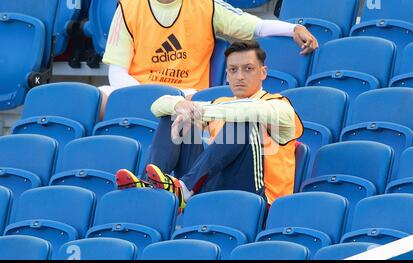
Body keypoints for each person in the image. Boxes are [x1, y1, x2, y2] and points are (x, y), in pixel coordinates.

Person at [115, 40, 303, 209]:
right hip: (213, 187)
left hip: (259, 199)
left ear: (263, 73)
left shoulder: (280, 105)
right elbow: (158, 105)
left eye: (248, 69)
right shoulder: (220, 105)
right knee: (174, 116)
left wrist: (199, 111)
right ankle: (150, 187)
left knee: (242, 122)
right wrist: (180, 105)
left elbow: (251, 110)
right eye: (233, 70)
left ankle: (185, 187)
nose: (240, 76)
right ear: (227, 75)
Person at [99, 0, 318, 103]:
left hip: (187, 94)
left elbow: (255, 26)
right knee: (98, 98)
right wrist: (147, 97)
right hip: (138, 91)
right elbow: (117, 73)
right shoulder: (128, 7)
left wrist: (293, 29)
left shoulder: (206, 5)